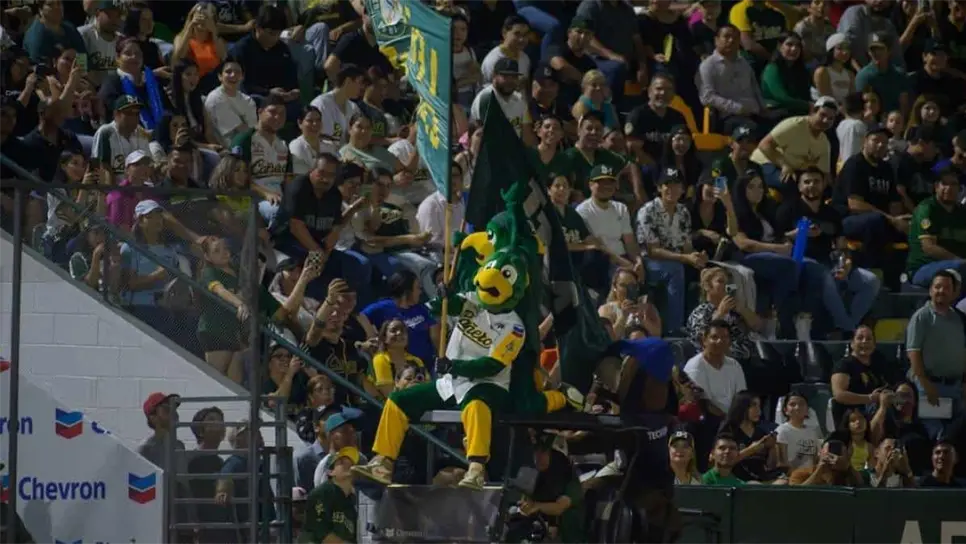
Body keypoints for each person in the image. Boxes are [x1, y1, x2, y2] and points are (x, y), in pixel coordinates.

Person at [776, 167, 881, 338]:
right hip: (802, 262)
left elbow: (842, 244)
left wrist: (846, 263)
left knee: (871, 281)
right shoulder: (787, 210)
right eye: (807, 182)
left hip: (830, 261)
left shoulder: (832, 213)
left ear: (824, 184)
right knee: (825, 277)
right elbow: (777, 240)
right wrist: (799, 233)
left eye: (816, 181)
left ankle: (846, 326)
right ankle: (850, 331)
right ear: (799, 186)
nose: (812, 185)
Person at [637, 168, 706, 332]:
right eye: (667, 185)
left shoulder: (683, 212)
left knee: (710, 272)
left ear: (682, 189)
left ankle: (702, 327)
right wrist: (685, 258)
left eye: (676, 185)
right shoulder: (648, 210)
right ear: (659, 187)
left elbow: (686, 246)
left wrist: (696, 256)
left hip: (677, 259)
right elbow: (653, 251)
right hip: (650, 262)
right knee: (676, 270)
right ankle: (674, 330)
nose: (672, 189)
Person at [906, 269, 966, 438]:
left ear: (953, 292)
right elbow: (913, 352)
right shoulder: (921, 317)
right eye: (937, 287)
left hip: (956, 387)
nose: (941, 291)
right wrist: (925, 383)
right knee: (938, 436)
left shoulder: (959, 318)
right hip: (931, 386)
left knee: (956, 436)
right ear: (930, 290)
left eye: (946, 287)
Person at [508, 432, 585, 544]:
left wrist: (536, 506)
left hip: (568, 538)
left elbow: (559, 507)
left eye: (544, 452)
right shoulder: (534, 477)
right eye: (536, 451)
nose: (538, 457)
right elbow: (524, 500)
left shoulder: (570, 481)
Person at [751, 96, 836, 195]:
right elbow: (764, 145)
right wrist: (784, 165)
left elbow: (825, 174)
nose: (825, 120)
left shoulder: (824, 142)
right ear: (813, 112)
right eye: (822, 115)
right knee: (789, 184)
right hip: (766, 162)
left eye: (830, 118)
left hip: (792, 169)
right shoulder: (795, 125)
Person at [231, 5, 301, 120]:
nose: (275, 38)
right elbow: (241, 85)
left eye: (278, 34)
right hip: (255, 97)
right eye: (271, 33)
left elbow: (291, 76)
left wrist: (292, 91)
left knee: (297, 108)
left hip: (280, 99)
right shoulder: (242, 49)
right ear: (258, 28)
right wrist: (268, 92)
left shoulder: (282, 49)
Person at [361, 270, 439, 371]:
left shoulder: (422, 309)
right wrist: (372, 336)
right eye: (417, 288)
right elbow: (360, 316)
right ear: (407, 291)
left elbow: (435, 337)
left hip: (427, 366)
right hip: (400, 369)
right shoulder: (383, 307)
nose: (420, 291)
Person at [697, 24, 768, 134]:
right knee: (752, 130)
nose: (731, 40)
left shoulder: (744, 63)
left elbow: (755, 88)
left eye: (735, 38)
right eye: (727, 37)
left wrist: (763, 108)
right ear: (716, 40)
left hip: (754, 113)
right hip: (729, 117)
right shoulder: (708, 66)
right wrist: (738, 108)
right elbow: (707, 97)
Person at [906, 169, 966, 287]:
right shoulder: (927, 208)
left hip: (958, 266)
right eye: (944, 184)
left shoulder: (962, 212)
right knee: (961, 268)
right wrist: (958, 260)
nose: (949, 188)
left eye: (953, 184)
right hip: (923, 268)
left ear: (959, 189)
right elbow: (929, 247)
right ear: (936, 187)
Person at [686, 267, 760, 363]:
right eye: (720, 281)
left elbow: (757, 326)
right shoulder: (700, 312)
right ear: (707, 286)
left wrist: (742, 309)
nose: (726, 286)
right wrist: (720, 314)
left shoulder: (733, 309)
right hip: (719, 362)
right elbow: (702, 340)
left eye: (728, 283)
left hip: (748, 359)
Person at [830, 324, 895, 423]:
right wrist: (869, 398)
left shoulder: (880, 362)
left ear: (874, 344)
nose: (864, 341)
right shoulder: (844, 365)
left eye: (869, 339)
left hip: (879, 410)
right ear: (852, 343)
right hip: (854, 415)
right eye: (860, 338)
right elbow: (839, 395)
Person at [470, 57, 535, 146]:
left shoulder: (519, 99)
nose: (509, 81)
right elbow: (480, 136)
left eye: (513, 77)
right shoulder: (485, 99)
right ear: (494, 76)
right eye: (505, 76)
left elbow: (527, 134)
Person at [302, 447, 360, 544]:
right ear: (331, 472)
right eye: (341, 462)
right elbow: (321, 532)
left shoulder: (350, 501)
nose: (347, 464)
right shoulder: (322, 493)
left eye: (350, 462)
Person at [719, 390, 780, 482]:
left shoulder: (761, 432)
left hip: (761, 479)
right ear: (741, 407)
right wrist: (751, 449)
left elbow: (770, 466)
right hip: (735, 480)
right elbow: (725, 462)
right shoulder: (729, 431)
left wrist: (772, 448)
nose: (758, 410)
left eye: (759, 406)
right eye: (753, 405)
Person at [90, 95, 151, 184]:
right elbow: (102, 167)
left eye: (137, 114)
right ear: (116, 114)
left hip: (140, 187)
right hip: (114, 188)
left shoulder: (141, 132)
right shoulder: (106, 132)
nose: (134, 118)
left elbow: (148, 164)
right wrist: (114, 191)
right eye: (129, 113)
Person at [204, 59, 258, 148]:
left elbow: (252, 129)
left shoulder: (248, 100)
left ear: (242, 77)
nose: (233, 75)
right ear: (220, 76)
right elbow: (241, 130)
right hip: (225, 149)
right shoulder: (215, 98)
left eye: (237, 72)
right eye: (228, 72)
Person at [855, 33, 909, 114]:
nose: (876, 53)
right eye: (873, 49)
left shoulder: (899, 75)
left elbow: (904, 105)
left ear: (889, 51)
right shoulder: (863, 76)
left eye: (880, 49)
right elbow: (862, 106)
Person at [760, 33, 812, 116]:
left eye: (798, 45)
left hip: (799, 111)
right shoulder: (772, 69)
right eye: (789, 44)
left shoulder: (801, 70)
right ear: (779, 47)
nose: (794, 49)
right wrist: (808, 105)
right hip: (776, 112)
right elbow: (781, 98)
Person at [789, 430, 866, 485]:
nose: (833, 453)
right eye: (830, 449)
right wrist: (820, 469)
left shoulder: (848, 474)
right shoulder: (800, 474)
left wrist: (848, 466)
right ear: (820, 452)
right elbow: (797, 494)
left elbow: (861, 488)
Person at [776, 390, 823, 471]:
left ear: (807, 410)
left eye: (801, 404)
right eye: (792, 404)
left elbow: (816, 458)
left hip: (811, 473)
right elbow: (783, 462)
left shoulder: (812, 431)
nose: (797, 407)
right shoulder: (782, 431)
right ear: (785, 410)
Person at [137, 392, 184, 469]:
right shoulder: (145, 450)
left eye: (174, 409)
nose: (174, 412)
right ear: (153, 417)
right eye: (167, 409)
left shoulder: (179, 446)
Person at [480, 15, 531, 83]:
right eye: (517, 34)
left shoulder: (525, 58)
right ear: (504, 33)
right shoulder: (493, 60)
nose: (521, 39)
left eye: (525, 35)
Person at [812, 33, 855, 103]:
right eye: (840, 48)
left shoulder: (850, 74)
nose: (845, 52)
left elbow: (852, 99)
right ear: (831, 50)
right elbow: (827, 99)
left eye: (847, 48)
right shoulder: (822, 72)